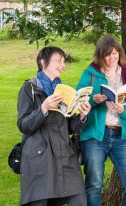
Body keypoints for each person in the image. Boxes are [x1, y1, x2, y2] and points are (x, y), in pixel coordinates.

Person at [17, 46, 91, 206]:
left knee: (79, 200)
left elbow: (69, 127)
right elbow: (24, 125)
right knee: (40, 201)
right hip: (40, 158)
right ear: (43, 62)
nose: (62, 65)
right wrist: (43, 108)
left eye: (63, 62)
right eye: (58, 61)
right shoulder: (29, 88)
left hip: (65, 155)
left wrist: (82, 116)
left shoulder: (62, 91)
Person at [76, 35, 126, 206]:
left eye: (115, 53)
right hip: (96, 136)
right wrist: (93, 101)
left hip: (122, 136)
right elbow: (77, 100)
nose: (112, 58)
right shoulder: (90, 73)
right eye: (107, 54)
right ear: (100, 55)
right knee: (94, 185)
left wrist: (124, 111)